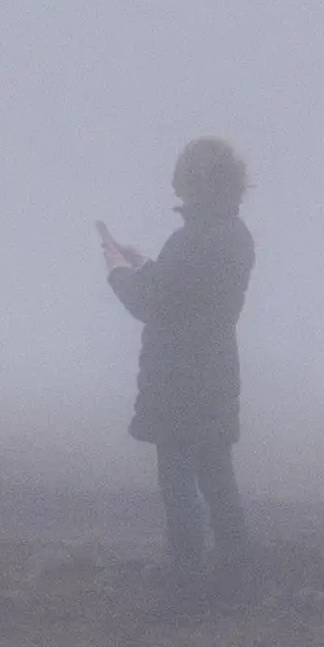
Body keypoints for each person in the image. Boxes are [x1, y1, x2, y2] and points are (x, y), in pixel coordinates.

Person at [103, 138, 261, 605]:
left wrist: (116, 271)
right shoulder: (233, 233)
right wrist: (146, 263)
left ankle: (188, 589)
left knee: (178, 486)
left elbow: (152, 302)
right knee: (216, 475)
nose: (176, 186)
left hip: (178, 381)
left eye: (183, 177)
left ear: (199, 181)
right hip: (215, 374)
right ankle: (235, 576)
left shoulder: (193, 239)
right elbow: (187, 291)